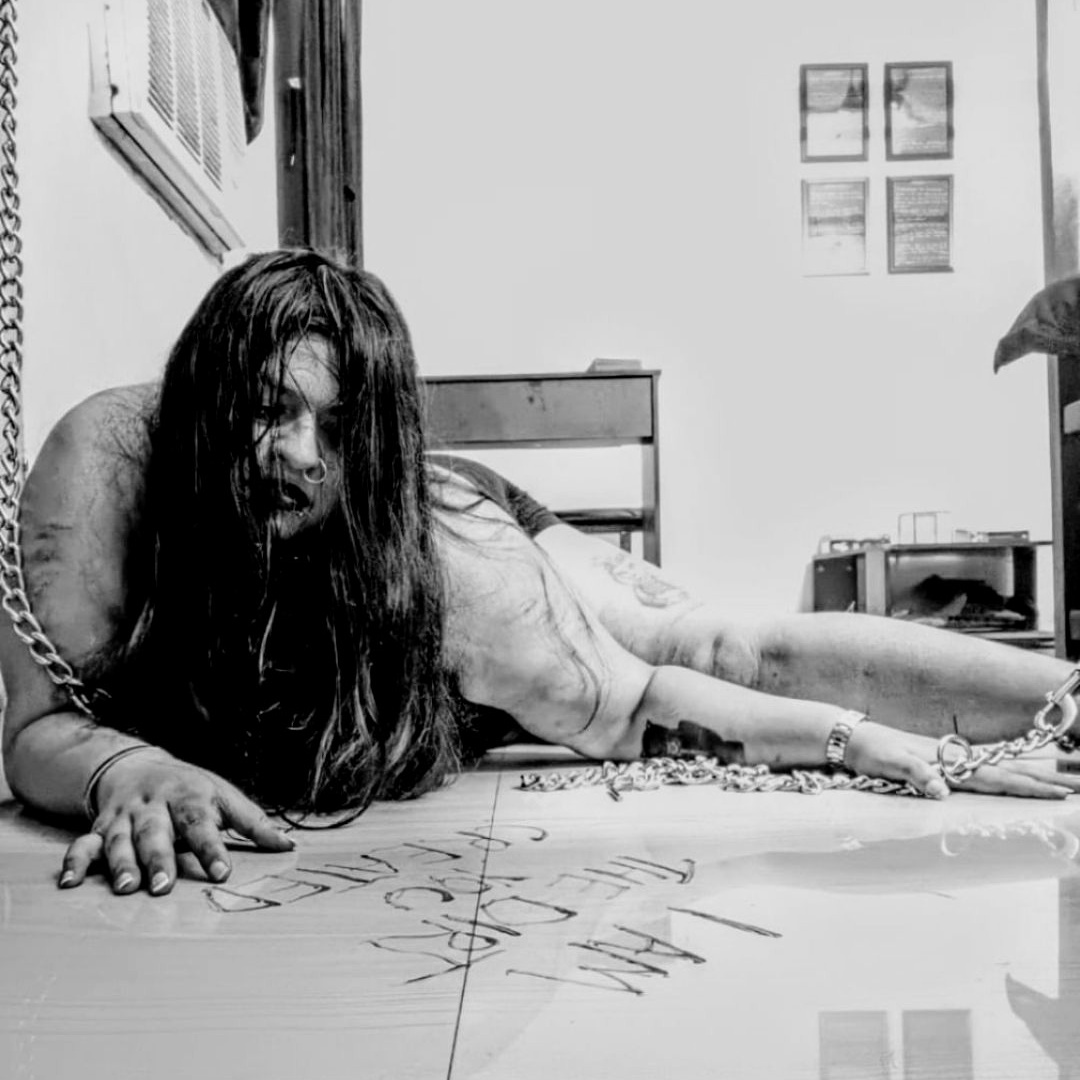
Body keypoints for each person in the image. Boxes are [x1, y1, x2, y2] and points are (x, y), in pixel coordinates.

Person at [2, 248, 1078, 900]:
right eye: (266, 409)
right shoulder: (103, 475)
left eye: (335, 426)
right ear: (202, 399)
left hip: (438, 553)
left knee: (708, 646)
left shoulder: (463, 576)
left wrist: (859, 741)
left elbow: (640, 705)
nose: (297, 455)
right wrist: (122, 771)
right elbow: (41, 725)